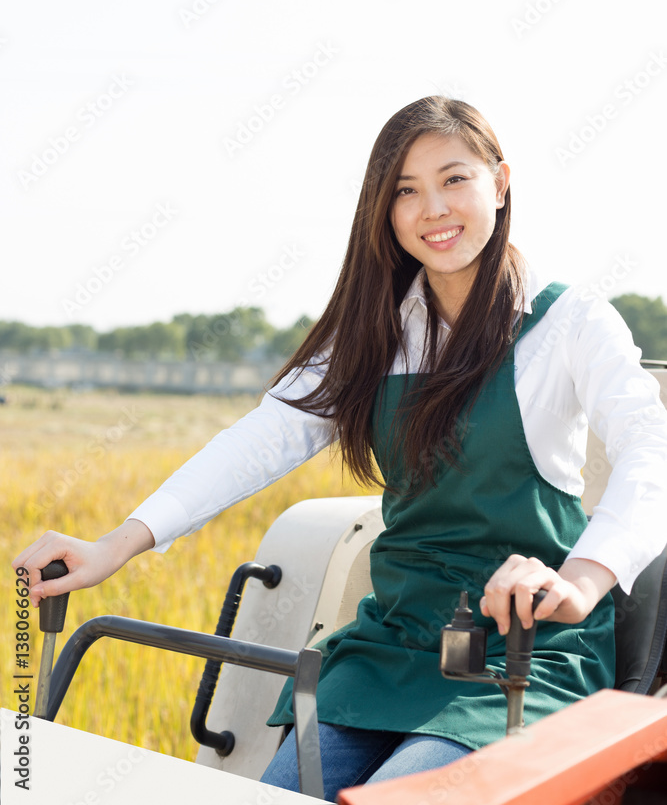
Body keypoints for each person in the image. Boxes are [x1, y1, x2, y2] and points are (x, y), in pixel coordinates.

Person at [13, 96, 667, 800]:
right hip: (392, 637)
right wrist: (117, 544)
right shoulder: (372, 328)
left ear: (499, 183)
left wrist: (582, 580)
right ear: (382, 210)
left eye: (454, 180)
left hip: (523, 647)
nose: (432, 210)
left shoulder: (567, 320)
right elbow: (260, 440)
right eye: (405, 191)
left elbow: (647, 447)